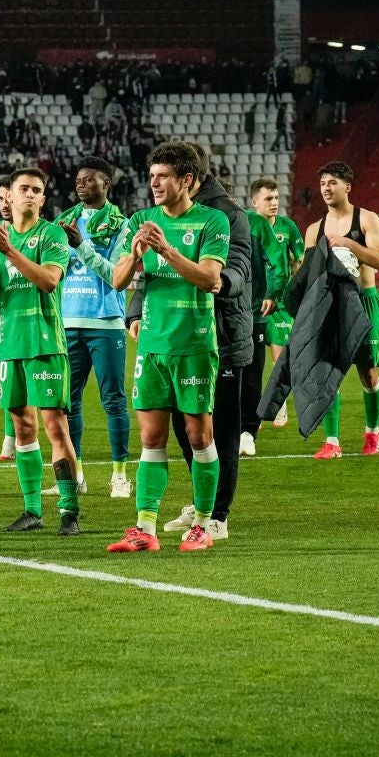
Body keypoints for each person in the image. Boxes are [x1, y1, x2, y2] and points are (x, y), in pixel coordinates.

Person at [104, 142, 231, 553]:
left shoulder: (213, 221)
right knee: (151, 436)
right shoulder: (142, 220)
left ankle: (204, 524)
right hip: (152, 347)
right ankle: (145, 528)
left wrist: (166, 250)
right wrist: (136, 253)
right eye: (152, 175)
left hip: (193, 345)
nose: (154, 183)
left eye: (163, 176)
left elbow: (210, 280)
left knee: (198, 435)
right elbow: (119, 281)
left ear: (187, 180)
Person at [0, 168, 77, 535]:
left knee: (55, 427)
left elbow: (48, 281)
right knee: (23, 427)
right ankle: (32, 510)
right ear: (9, 197)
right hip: (9, 345)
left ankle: (69, 511)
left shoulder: (52, 235)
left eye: (37, 190)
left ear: (43, 199)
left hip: (45, 345)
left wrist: (9, 252)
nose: (30, 194)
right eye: (23, 189)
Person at [162, 148, 255, 543]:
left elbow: (240, 263)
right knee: (184, 425)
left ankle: (218, 514)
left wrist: (224, 283)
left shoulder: (228, 215)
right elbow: (155, 266)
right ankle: (202, 499)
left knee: (223, 428)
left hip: (222, 332)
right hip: (175, 334)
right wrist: (135, 313)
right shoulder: (168, 212)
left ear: (189, 177)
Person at [55, 157, 131, 497]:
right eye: (78, 179)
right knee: (68, 403)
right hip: (67, 321)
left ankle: (119, 475)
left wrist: (81, 247)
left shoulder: (122, 225)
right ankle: (77, 475)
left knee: (113, 399)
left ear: (106, 184)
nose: (80, 184)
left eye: (89, 179)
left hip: (106, 322)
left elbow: (116, 276)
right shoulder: (64, 221)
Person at [302, 162, 379, 458]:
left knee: (367, 374)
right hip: (329, 306)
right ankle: (332, 441)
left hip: (363, 302)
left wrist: (348, 243)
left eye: (333, 182)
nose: (326, 187)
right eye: (323, 183)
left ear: (347, 187)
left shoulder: (367, 219)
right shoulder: (314, 230)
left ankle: (372, 433)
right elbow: (308, 275)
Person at [245, 179, 302, 439]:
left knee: (279, 358)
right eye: (268, 198)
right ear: (254, 201)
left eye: (277, 198)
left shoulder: (287, 228)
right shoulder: (245, 226)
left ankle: (277, 405)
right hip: (251, 304)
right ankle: (248, 415)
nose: (274, 203)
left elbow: (301, 259)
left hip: (278, 304)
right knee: (249, 363)